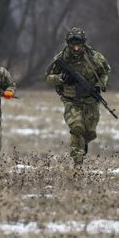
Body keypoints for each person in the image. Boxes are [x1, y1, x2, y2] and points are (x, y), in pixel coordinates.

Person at [44, 27, 111, 168]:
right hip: (71, 99)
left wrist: (100, 85)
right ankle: (77, 162)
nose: (75, 47)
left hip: (90, 99)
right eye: (72, 43)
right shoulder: (61, 58)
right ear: (68, 43)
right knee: (76, 127)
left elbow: (106, 71)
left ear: (83, 43)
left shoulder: (94, 57)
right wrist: (60, 78)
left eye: (78, 43)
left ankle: (83, 143)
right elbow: (47, 77)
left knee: (90, 131)